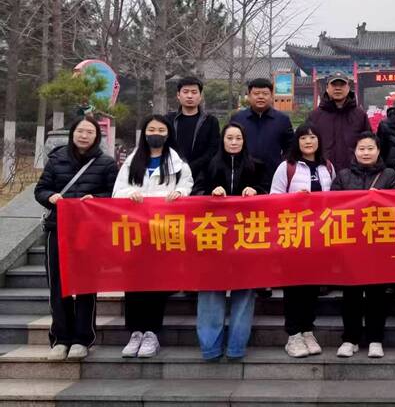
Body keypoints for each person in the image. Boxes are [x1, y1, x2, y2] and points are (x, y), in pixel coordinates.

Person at [34, 116, 119, 361]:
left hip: (89, 232)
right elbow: (40, 189)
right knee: (58, 285)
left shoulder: (106, 163)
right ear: (73, 133)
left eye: (90, 132)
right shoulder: (56, 159)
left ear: (97, 137)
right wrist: (50, 197)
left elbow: (114, 195)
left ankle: (83, 338)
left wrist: (96, 199)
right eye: (80, 131)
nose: (84, 136)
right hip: (58, 228)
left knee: (85, 285)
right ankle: (60, 338)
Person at [113, 115, 193, 358]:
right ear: (144, 133)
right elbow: (117, 191)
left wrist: (180, 193)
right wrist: (130, 193)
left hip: (162, 232)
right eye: (151, 129)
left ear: (168, 134)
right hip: (135, 232)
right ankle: (135, 332)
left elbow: (187, 188)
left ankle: (151, 333)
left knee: (157, 282)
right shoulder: (131, 161)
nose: (155, 133)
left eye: (160, 129)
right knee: (134, 282)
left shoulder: (178, 164)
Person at [193, 122, 269, 361]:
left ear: (244, 141)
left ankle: (236, 347)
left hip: (246, 239)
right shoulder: (209, 164)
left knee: (244, 293)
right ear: (222, 140)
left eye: (238, 138)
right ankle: (210, 347)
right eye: (229, 138)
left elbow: (269, 193)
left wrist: (256, 192)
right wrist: (210, 194)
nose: (234, 142)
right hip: (213, 238)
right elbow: (196, 192)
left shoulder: (257, 165)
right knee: (210, 292)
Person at [330, 132, 395, 359]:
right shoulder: (343, 176)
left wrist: (380, 199)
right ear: (355, 151)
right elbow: (332, 205)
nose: (366, 153)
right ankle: (349, 339)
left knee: (376, 295)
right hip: (350, 245)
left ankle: (375, 339)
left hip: (378, 246)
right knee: (350, 295)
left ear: (378, 151)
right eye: (361, 149)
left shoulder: (390, 176)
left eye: (370, 148)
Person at [270, 123, 335, 358]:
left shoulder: (328, 167)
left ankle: (308, 329)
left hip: (319, 236)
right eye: (304, 138)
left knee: (312, 286)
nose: (308, 142)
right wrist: (294, 200)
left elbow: (335, 199)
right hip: (294, 235)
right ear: (297, 142)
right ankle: (293, 335)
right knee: (294, 286)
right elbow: (274, 198)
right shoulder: (287, 167)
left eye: (313, 137)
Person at [230, 78, 294, 189]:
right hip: (242, 176)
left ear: (271, 96)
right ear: (249, 96)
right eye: (256, 93)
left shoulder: (282, 120)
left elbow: (291, 148)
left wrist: (282, 166)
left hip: (273, 176)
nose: (260, 97)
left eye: (265, 93)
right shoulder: (238, 119)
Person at [307, 71, 372, 173]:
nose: (338, 88)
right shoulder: (315, 116)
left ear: (348, 88)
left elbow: (369, 143)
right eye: (334, 85)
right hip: (323, 172)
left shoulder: (360, 115)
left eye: (342, 85)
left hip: (354, 173)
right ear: (327, 88)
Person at [165, 76, 220, 179]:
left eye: (194, 92)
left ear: (200, 96)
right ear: (178, 95)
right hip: (172, 173)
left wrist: (192, 167)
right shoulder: (168, 119)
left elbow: (213, 149)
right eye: (185, 92)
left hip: (201, 176)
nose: (189, 96)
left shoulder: (211, 121)